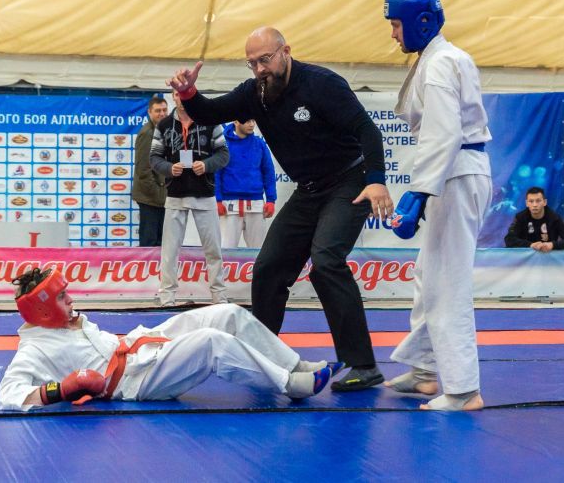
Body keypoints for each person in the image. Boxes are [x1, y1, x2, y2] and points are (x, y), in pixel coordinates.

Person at [167, 26, 394, 391]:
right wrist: (189, 93)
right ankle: (263, 357)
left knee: (326, 261)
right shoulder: (254, 93)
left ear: (286, 51)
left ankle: (363, 365)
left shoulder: (322, 84)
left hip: (348, 182)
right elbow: (210, 112)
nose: (260, 69)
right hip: (308, 191)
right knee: (269, 268)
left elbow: (368, 131)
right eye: (252, 63)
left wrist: (377, 180)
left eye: (265, 59)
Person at [0, 268, 340, 411]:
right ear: (43, 310)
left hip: (139, 346)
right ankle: (290, 384)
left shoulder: (69, 320)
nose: (71, 299)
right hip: (135, 381)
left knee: (227, 313)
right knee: (210, 342)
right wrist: (62, 389)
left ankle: (295, 364)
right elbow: (8, 394)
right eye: (62, 297)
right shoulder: (35, 348)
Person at [382, 0, 492, 411]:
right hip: (453, 172)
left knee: (447, 282)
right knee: (428, 275)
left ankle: (463, 390)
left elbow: (444, 133)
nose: (393, 33)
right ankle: (425, 370)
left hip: (455, 174)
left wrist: (417, 193)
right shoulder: (438, 58)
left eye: (396, 24)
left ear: (421, 23)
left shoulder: (441, 62)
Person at [149, 90, 229, 307]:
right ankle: (167, 298)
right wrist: (168, 168)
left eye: (184, 94)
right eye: (177, 94)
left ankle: (219, 297)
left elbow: (224, 154)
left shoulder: (211, 120)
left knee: (213, 250)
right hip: (175, 194)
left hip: (205, 194)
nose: (181, 98)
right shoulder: (164, 125)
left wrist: (207, 165)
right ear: (173, 97)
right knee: (169, 251)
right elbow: (154, 158)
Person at [215, 119, 277, 248]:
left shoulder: (259, 144)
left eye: (253, 120)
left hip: (256, 205)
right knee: (226, 251)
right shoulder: (223, 144)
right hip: (229, 206)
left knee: (258, 251)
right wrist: (218, 200)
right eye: (247, 121)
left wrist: (271, 200)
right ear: (236, 122)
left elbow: (268, 172)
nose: (252, 124)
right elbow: (216, 173)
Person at [131, 96, 169, 246]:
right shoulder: (147, 133)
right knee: (149, 243)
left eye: (164, 110)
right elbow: (143, 170)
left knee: (161, 242)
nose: (162, 113)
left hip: (160, 197)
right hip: (150, 198)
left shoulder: (163, 130)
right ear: (149, 112)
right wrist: (158, 194)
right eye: (158, 111)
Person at [504, 187, 564, 251]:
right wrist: (530, 245)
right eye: (531, 201)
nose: (535, 205)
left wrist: (552, 245)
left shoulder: (554, 218)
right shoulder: (520, 217)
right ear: (527, 203)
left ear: (544, 202)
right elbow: (509, 239)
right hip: (526, 259)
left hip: (548, 257)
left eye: (538, 201)